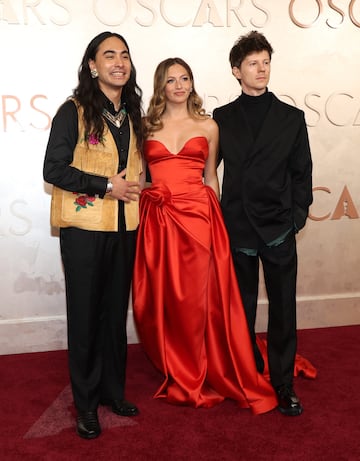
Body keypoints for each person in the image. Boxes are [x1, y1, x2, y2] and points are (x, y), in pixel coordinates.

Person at [132, 57, 278, 414]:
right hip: (160, 220)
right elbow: (139, 178)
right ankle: (178, 364)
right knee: (168, 298)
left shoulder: (208, 125)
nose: (179, 85)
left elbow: (212, 177)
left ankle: (203, 363)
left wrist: (218, 222)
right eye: (171, 80)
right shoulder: (145, 127)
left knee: (198, 298)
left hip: (199, 216)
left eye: (185, 78)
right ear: (160, 86)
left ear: (192, 84)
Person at [43, 31, 144, 439]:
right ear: (92, 65)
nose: (118, 62)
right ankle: (85, 405)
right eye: (109, 55)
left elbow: (137, 168)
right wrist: (106, 185)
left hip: (124, 228)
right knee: (85, 318)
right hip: (84, 231)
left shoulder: (132, 113)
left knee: (115, 314)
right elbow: (54, 169)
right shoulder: (73, 111)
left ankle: (111, 392)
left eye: (124, 55)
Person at [213, 31, 313, 416]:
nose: (261, 69)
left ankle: (283, 383)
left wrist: (296, 217)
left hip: (278, 229)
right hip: (237, 226)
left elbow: (302, 173)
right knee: (240, 309)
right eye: (253, 63)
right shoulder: (221, 119)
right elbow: (207, 171)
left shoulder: (292, 118)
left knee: (284, 309)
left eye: (265, 62)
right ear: (236, 70)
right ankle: (247, 372)